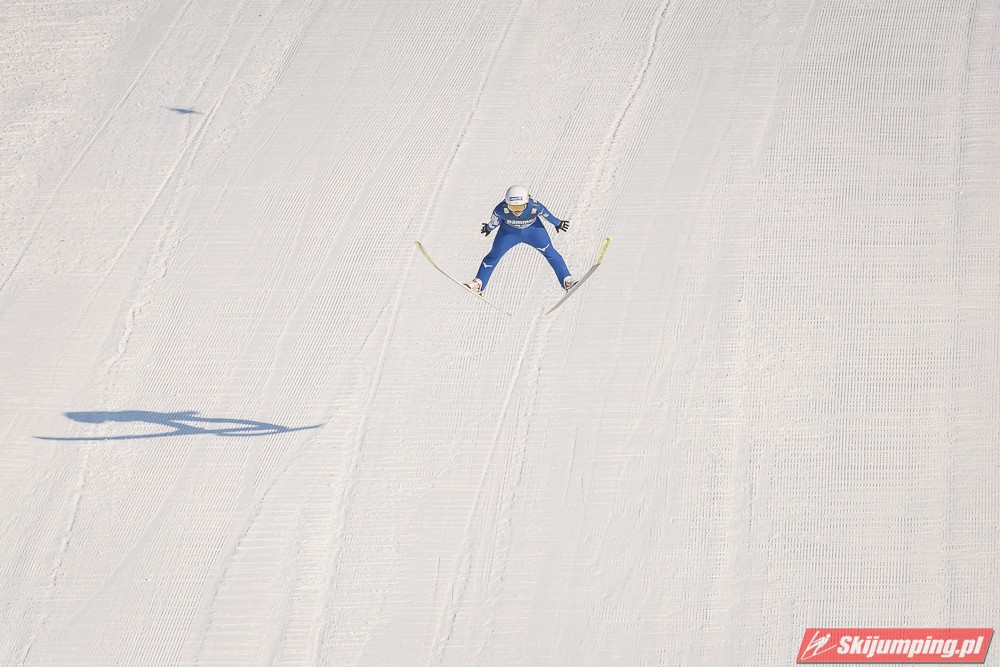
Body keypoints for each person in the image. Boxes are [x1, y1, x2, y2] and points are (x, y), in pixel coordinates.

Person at [465, 185, 577, 294]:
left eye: (520, 207)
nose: (517, 211)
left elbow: (546, 214)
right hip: (509, 233)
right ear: (506, 203)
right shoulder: (500, 209)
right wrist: (488, 228)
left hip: (534, 232)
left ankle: (567, 280)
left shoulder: (535, 206)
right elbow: (495, 221)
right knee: (493, 255)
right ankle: (479, 283)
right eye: (513, 207)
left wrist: (558, 223)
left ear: (527, 202)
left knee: (551, 253)